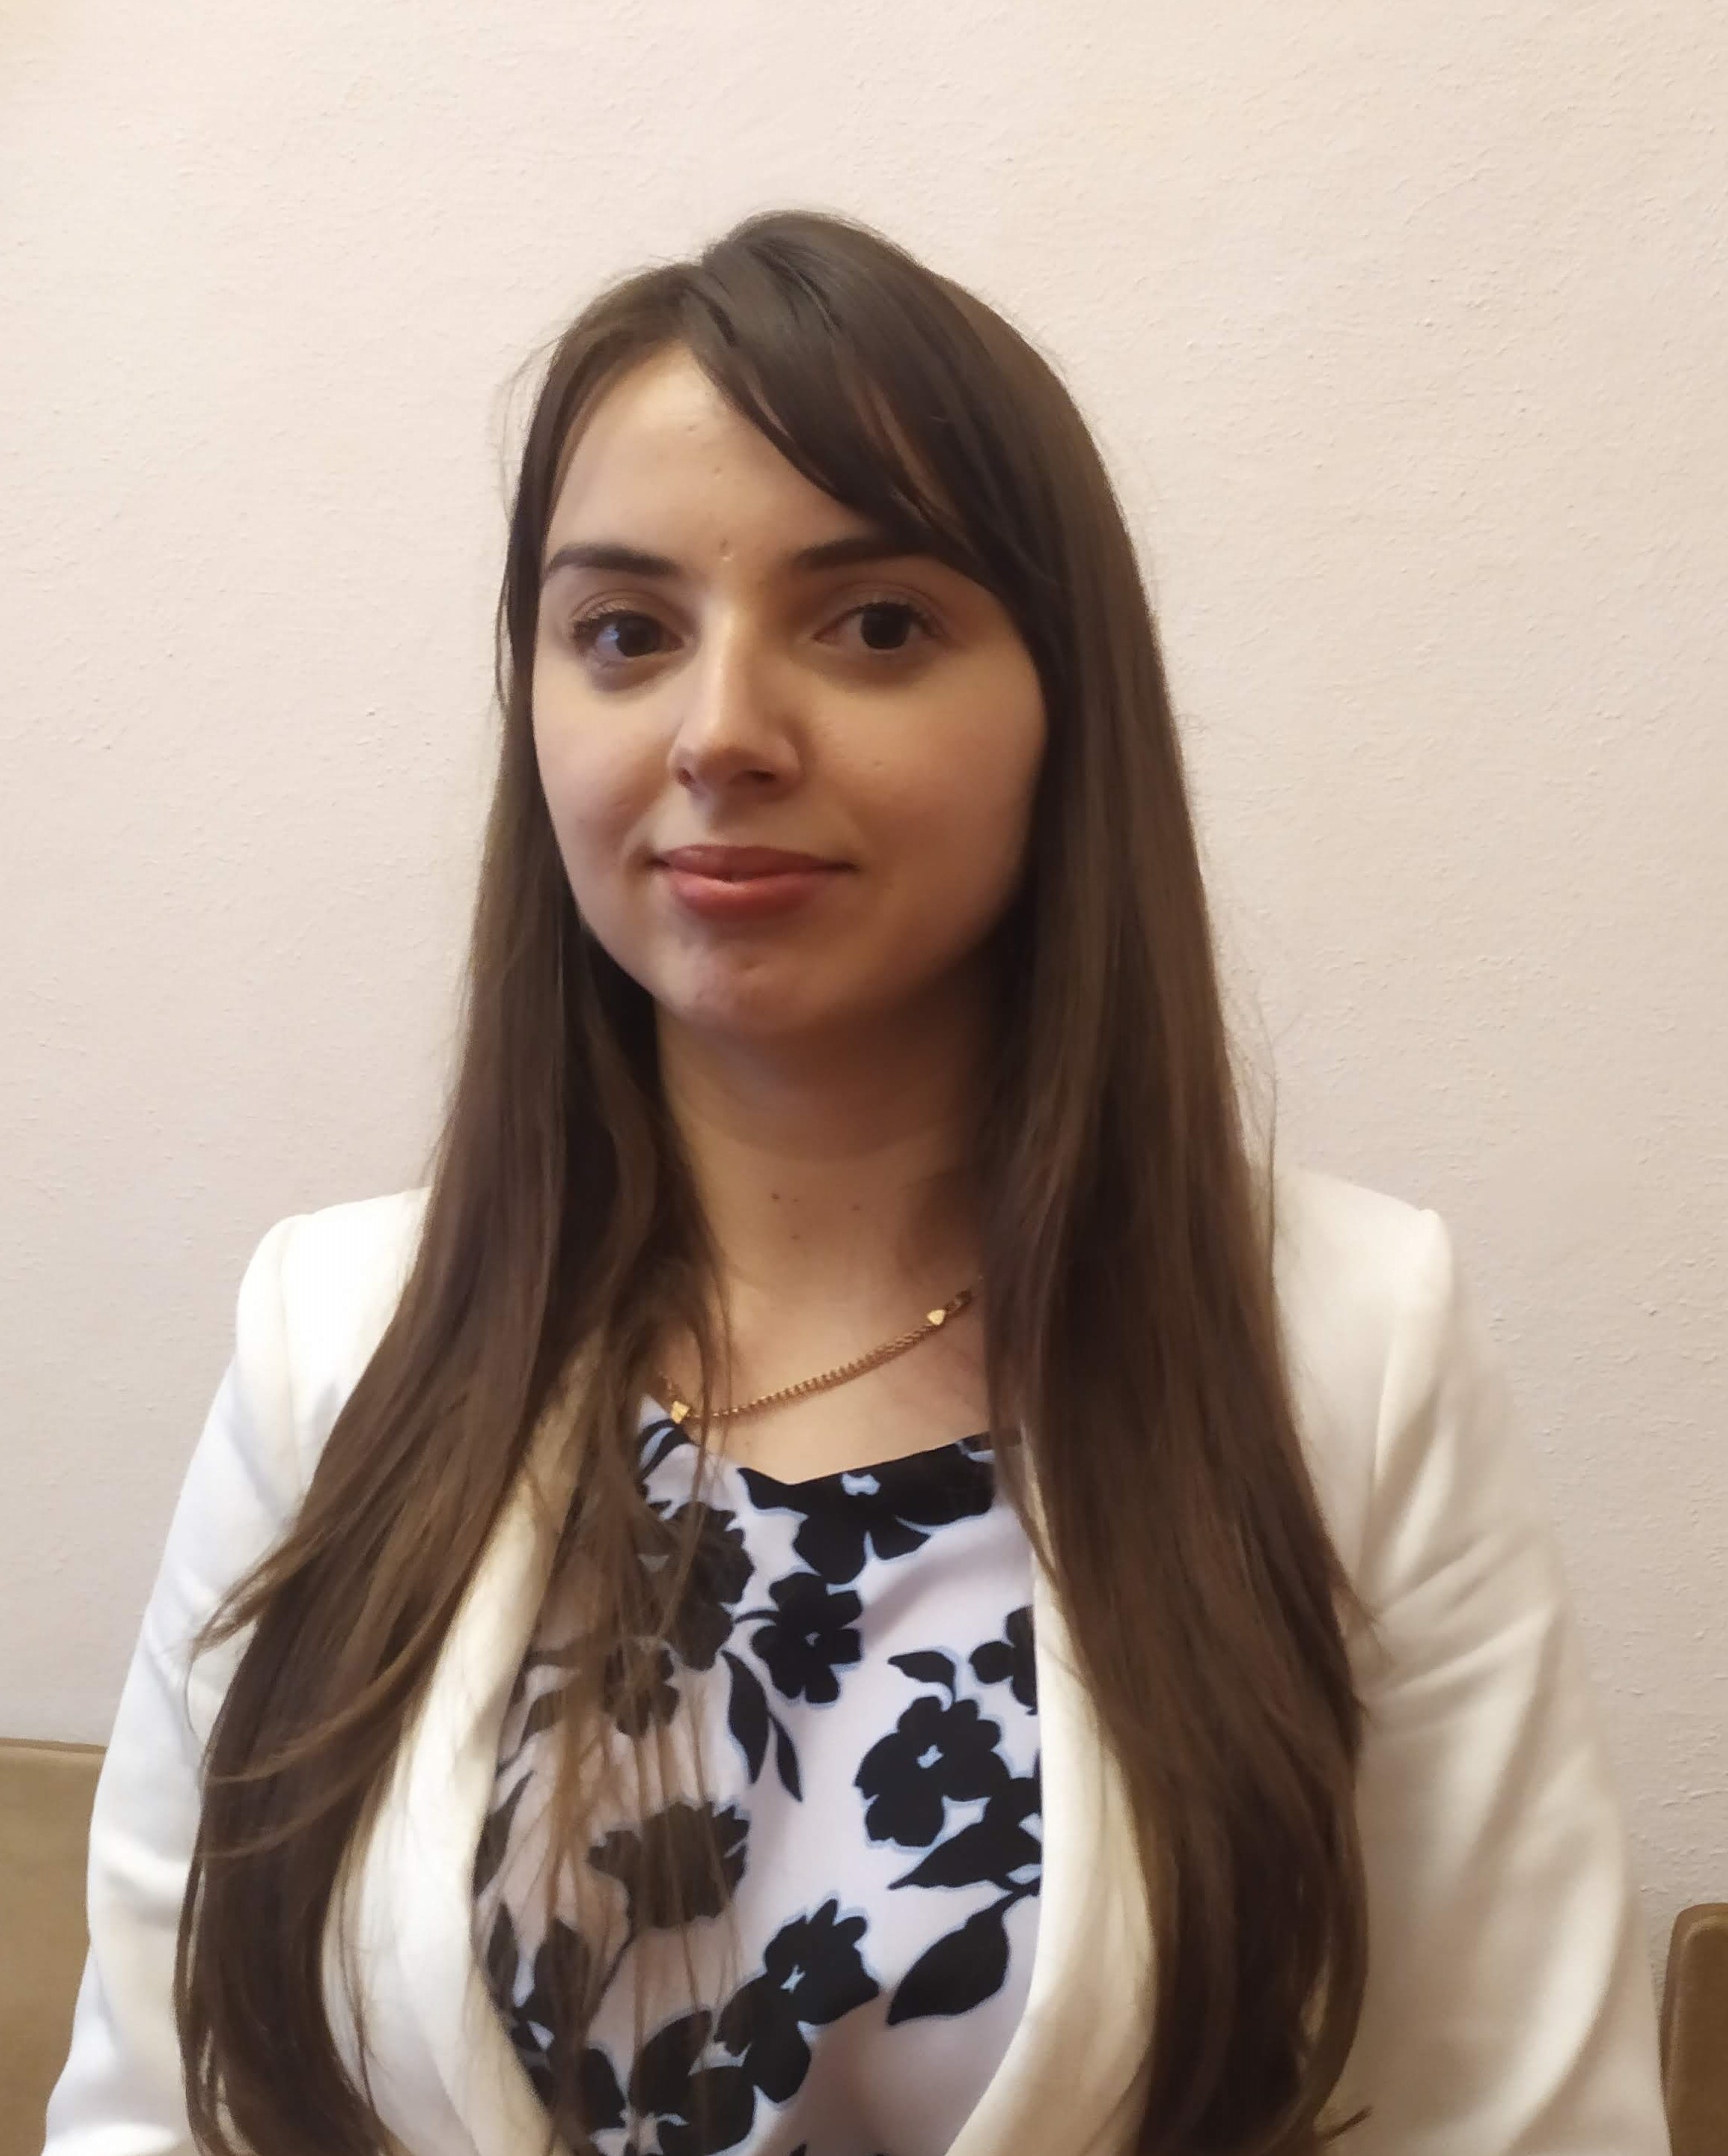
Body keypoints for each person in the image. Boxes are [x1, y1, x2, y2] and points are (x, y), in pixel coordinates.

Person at [42, 208, 1670, 2156]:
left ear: (1064, 705)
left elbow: (1517, 2120)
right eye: (625, 632)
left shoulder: (1347, 1350)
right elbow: (161, 2106)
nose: (722, 732)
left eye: (876, 624)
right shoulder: (333, 1339)